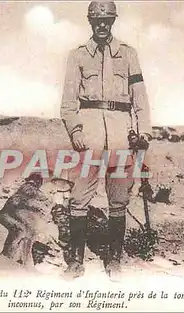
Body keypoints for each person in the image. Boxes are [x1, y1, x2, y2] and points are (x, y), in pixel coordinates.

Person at [60, 0, 153, 280]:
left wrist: (144, 132)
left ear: (113, 21)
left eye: (107, 20)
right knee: (78, 200)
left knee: (118, 201)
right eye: (97, 20)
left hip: (121, 138)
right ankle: (75, 263)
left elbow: (141, 100)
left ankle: (114, 262)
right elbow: (67, 103)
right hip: (88, 139)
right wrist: (75, 131)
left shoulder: (128, 54)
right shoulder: (77, 56)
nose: (102, 25)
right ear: (89, 21)